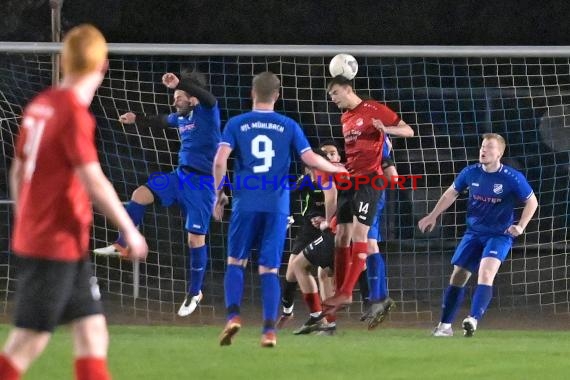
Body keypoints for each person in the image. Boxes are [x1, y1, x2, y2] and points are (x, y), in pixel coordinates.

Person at [0, 24, 148, 380]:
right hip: (54, 245)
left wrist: (27, 219)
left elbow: (19, 170)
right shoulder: (72, 113)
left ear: (65, 61)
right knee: (27, 342)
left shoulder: (41, 104)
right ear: (103, 65)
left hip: (61, 243)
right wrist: (130, 230)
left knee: (93, 332)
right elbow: (93, 180)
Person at [212, 71, 344, 348]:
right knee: (269, 269)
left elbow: (219, 161)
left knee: (236, 262)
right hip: (277, 205)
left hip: (245, 202)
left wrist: (219, 194)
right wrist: (336, 168)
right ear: (277, 95)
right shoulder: (288, 125)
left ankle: (233, 316)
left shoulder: (236, 123)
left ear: (252, 93)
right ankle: (269, 331)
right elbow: (310, 159)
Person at [94, 70, 221, 317]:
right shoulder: (182, 117)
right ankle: (123, 243)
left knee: (195, 240)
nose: (175, 100)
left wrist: (181, 83)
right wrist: (136, 118)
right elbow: (162, 120)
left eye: (180, 96)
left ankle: (195, 291)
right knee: (140, 194)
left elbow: (209, 99)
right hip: (180, 176)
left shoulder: (207, 112)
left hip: (202, 185)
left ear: (192, 97)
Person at [419, 133, 538, 337]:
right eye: (483, 146)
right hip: (473, 233)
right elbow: (451, 193)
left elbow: (532, 202)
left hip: (499, 235)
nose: (484, 150)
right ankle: (445, 327)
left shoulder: (512, 177)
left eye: (490, 147)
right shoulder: (470, 172)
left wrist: (521, 226)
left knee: (486, 273)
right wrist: (432, 216)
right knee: (458, 276)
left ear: (499, 153)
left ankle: (472, 319)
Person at [322, 75, 414, 314]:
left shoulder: (373, 108)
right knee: (341, 235)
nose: (332, 99)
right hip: (350, 180)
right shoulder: (345, 118)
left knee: (361, 234)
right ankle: (341, 291)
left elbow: (409, 131)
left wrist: (387, 129)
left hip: (370, 181)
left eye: (334, 93)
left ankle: (350, 292)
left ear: (347, 89)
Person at [276, 142, 340, 329]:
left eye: (333, 154)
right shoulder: (307, 180)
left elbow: (341, 203)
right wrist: (286, 215)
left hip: (331, 230)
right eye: (325, 155)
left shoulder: (339, 178)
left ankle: (326, 321)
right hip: (308, 230)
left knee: (325, 274)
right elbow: (287, 194)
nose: (329, 157)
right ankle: (288, 311)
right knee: (291, 273)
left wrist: (328, 220)